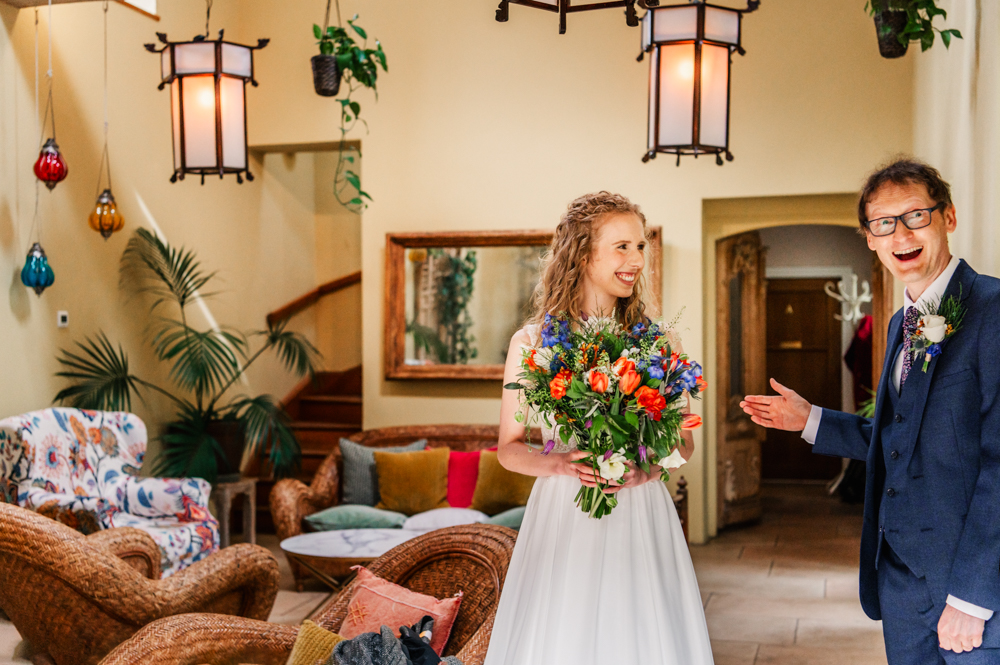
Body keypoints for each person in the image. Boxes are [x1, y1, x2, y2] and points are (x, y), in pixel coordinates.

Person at [740, 158, 1000, 664]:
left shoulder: (993, 310)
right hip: (899, 585)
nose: (900, 233)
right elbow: (901, 437)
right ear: (870, 239)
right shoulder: (901, 322)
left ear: (947, 217)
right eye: (884, 223)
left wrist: (972, 595)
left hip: (969, 593)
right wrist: (809, 419)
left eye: (915, 216)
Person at [483, 192, 714, 665]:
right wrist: (560, 463)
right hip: (563, 511)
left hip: (641, 510)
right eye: (622, 247)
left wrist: (644, 472)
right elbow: (509, 447)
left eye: (641, 247)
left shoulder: (659, 340)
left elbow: (684, 442)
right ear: (584, 254)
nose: (636, 261)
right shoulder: (529, 343)